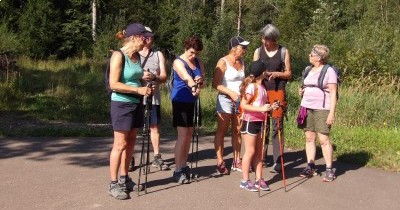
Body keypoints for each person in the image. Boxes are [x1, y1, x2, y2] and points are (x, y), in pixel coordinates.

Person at [108, 22, 154, 200]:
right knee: (119, 144)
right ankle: (113, 183)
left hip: (136, 103)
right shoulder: (119, 55)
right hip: (121, 104)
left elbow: (137, 79)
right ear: (134, 38)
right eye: (144, 37)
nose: (146, 40)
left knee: (131, 143)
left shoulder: (137, 57)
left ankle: (124, 178)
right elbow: (114, 84)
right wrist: (138, 90)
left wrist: (147, 85)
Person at [128, 26, 168, 171]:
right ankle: (130, 156)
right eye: (146, 35)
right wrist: (141, 76)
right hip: (135, 97)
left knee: (154, 127)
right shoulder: (133, 53)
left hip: (153, 98)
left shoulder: (158, 54)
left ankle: (157, 157)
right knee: (133, 128)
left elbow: (164, 76)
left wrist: (155, 78)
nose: (149, 38)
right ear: (141, 37)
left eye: (151, 35)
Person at [253, 24, 292, 173]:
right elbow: (254, 71)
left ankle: (278, 160)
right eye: (263, 38)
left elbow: (289, 73)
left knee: (277, 124)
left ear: (274, 39)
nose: (264, 41)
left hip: (277, 91)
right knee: (263, 125)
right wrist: (259, 77)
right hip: (262, 90)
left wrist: (278, 74)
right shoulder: (258, 51)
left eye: (267, 39)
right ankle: (260, 158)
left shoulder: (283, 51)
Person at [298, 44, 337, 182]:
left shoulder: (329, 71)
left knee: (323, 139)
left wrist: (331, 113)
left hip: (322, 108)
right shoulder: (309, 69)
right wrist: (301, 91)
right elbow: (305, 85)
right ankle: (310, 166)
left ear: (319, 57)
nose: (309, 56)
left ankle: (329, 169)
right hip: (306, 107)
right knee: (309, 137)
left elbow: (333, 93)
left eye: (311, 54)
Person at [212, 36, 249, 175]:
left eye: (245, 47)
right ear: (234, 48)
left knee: (237, 130)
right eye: (242, 47)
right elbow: (215, 84)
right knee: (222, 130)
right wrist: (231, 93)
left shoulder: (243, 62)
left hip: (240, 100)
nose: (245, 50)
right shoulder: (223, 62)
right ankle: (220, 161)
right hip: (225, 100)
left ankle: (236, 160)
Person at [239, 60, 279, 191]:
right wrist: (262, 109)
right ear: (262, 73)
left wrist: (271, 107)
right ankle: (245, 180)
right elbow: (244, 105)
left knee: (259, 152)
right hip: (250, 121)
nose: (267, 72)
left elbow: (261, 106)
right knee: (250, 151)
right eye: (266, 71)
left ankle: (259, 178)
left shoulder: (262, 87)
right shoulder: (252, 87)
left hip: (260, 122)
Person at [171, 36, 205, 184]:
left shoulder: (198, 62)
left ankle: (184, 165)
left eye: (196, 53)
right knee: (183, 135)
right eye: (191, 52)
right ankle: (177, 169)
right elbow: (185, 77)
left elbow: (202, 81)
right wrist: (193, 85)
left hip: (192, 101)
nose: (193, 56)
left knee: (189, 134)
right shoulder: (178, 61)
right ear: (186, 48)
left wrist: (200, 82)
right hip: (180, 101)